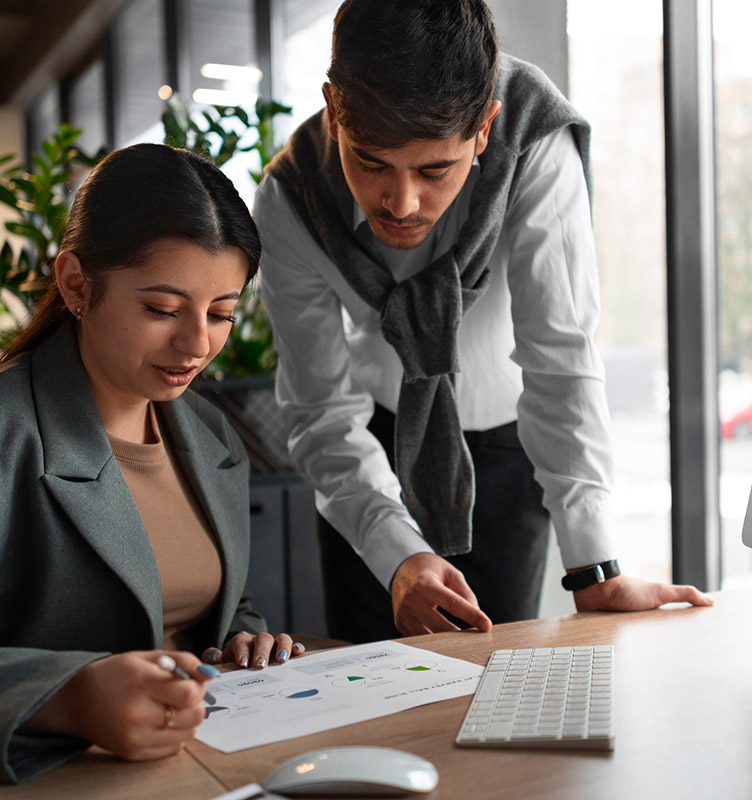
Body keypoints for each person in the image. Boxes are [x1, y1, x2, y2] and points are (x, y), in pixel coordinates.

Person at [254, 0, 712, 644]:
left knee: (504, 668)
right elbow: (321, 409)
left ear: (485, 127)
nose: (402, 204)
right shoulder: (289, 199)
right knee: (370, 679)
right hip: (368, 450)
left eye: (434, 170)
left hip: (509, 445)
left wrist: (596, 568)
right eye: (372, 163)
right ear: (333, 111)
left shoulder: (535, 139)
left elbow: (561, 356)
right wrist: (397, 554)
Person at [0, 143, 303, 784]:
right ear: (77, 284)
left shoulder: (211, 436)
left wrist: (245, 639)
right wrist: (68, 696)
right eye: (162, 309)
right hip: (60, 776)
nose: (197, 344)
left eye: (221, 313)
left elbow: (212, 603)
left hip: (208, 757)